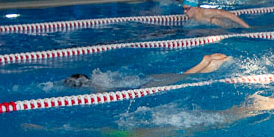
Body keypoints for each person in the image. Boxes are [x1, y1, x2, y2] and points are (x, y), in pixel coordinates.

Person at [100, 91, 274, 137]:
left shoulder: (269, 101)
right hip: (222, 118)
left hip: (222, 116)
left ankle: (124, 136)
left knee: (177, 127)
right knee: (179, 129)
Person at [63, 53, 234, 91]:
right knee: (182, 76)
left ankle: (206, 63)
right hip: (142, 80)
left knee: (184, 78)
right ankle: (205, 63)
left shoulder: (97, 88)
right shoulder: (100, 80)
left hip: (142, 85)